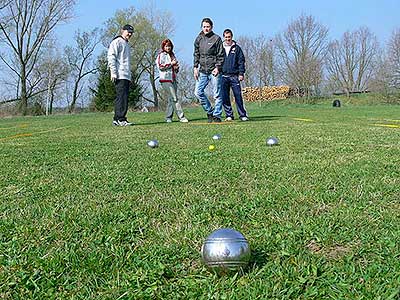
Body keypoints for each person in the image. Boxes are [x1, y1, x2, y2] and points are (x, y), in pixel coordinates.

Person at [193, 18, 225, 122]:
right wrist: (195, 67)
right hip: (202, 70)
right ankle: (209, 111)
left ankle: (217, 115)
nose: (206, 28)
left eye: (208, 26)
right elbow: (196, 54)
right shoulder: (198, 39)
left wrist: (218, 67)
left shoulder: (217, 39)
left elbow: (221, 55)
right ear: (201, 27)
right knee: (198, 92)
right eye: (204, 26)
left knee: (217, 93)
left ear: (211, 27)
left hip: (214, 70)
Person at [156, 39, 189, 123]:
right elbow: (161, 66)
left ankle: (168, 117)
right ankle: (181, 117)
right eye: (166, 46)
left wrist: (176, 68)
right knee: (175, 98)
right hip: (165, 79)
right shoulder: (161, 55)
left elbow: (174, 67)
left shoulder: (172, 55)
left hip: (173, 79)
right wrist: (171, 64)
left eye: (169, 46)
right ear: (163, 47)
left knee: (171, 99)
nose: (168, 48)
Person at [107, 24, 134, 126]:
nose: (130, 34)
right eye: (128, 32)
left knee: (124, 97)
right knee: (121, 97)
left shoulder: (127, 44)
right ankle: (120, 119)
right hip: (120, 74)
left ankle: (118, 119)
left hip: (126, 75)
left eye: (131, 32)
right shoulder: (117, 42)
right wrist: (113, 72)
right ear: (122, 31)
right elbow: (111, 57)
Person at [221, 29, 249, 121]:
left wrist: (241, 73)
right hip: (223, 76)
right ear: (223, 37)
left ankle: (242, 115)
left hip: (234, 76)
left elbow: (241, 61)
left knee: (238, 96)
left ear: (232, 37)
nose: (227, 39)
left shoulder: (237, 48)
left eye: (229, 37)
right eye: (226, 37)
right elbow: (216, 60)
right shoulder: (220, 48)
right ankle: (229, 115)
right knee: (225, 97)